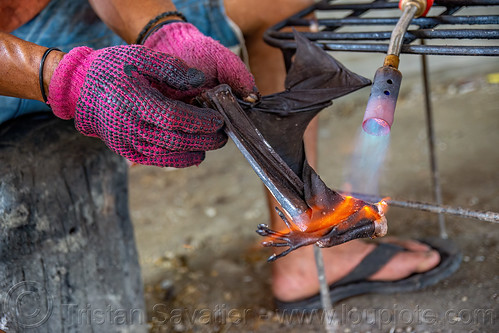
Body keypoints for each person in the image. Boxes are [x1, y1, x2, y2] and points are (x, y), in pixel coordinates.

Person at [1, 0, 441, 311]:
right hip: (14, 64)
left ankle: (308, 253)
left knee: (282, 3)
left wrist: (162, 28)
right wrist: (64, 77)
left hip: (56, 12)